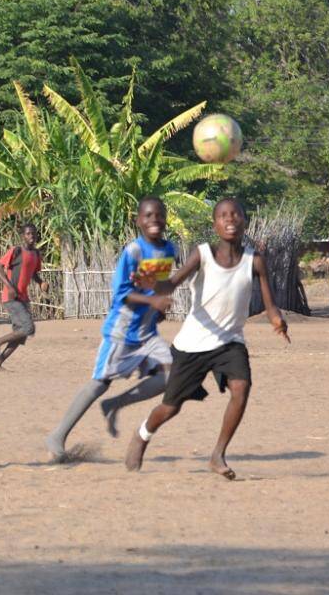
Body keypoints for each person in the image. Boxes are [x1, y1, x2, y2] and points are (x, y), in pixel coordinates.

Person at [125, 198, 290, 479]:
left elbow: (269, 301)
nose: (230, 219)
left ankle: (218, 455)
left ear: (244, 221)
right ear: (215, 225)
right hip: (193, 343)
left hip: (230, 342)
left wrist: (276, 318)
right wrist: (149, 283)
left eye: (236, 214)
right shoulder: (202, 254)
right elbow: (173, 284)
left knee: (242, 388)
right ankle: (142, 434)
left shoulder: (255, 260)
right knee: (170, 407)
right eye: (223, 215)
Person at [46, 197, 175, 460]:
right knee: (100, 382)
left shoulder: (169, 250)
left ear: (166, 218)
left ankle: (116, 404)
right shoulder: (134, 252)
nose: (154, 220)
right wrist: (152, 299)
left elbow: (158, 286)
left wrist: (159, 308)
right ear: (138, 221)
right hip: (122, 331)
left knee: (172, 375)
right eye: (148, 216)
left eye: (159, 215)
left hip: (147, 333)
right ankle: (57, 435)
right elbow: (121, 294)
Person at [0, 223, 48, 370]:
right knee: (29, 328)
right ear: (23, 236)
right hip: (11, 297)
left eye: (33, 234)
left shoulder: (36, 254)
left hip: (23, 298)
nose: (31, 237)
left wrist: (41, 282)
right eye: (28, 234)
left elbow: (34, 273)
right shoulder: (16, 251)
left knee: (20, 335)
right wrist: (9, 286)